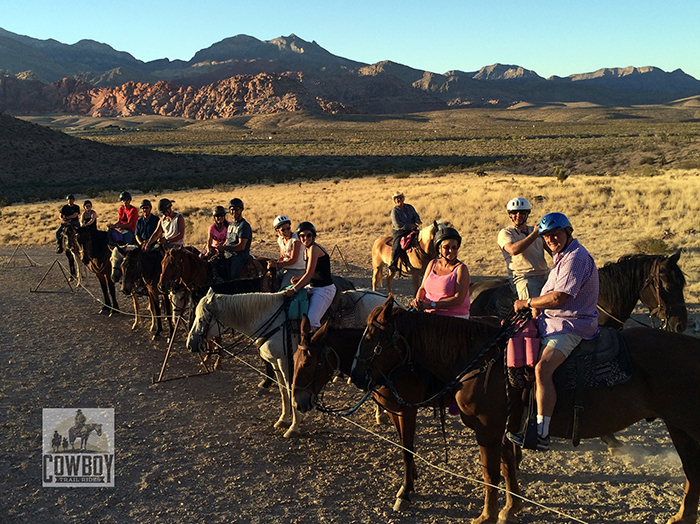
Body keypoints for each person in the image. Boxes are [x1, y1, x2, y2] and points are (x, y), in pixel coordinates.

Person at [508, 212, 599, 451]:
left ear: (568, 232)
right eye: (546, 236)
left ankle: (542, 434)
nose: (550, 239)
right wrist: (536, 310)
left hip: (572, 325)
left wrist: (528, 303)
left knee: (542, 368)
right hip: (554, 321)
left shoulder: (576, 258)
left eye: (555, 234)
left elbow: (559, 297)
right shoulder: (562, 256)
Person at [282, 221, 336, 330]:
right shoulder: (306, 250)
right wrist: (298, 279)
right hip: (312, 287)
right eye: (302, 236)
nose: (305, 238)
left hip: (324, 289)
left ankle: (318, 345)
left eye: (308, 235)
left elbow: (310, 273)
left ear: (314, 236)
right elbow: (312, 272)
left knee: (312, 322)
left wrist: (294, 289)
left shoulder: (314, 249)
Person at [411, 227, 470, 318]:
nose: (451, 251)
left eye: (454, 247)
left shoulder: (461, 269)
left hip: (453, 317)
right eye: (446, 247)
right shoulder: (432, 264)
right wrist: (418, 300)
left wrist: (431, 305)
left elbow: (458, 299)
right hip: (429, 313)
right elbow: (422, 288)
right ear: (439, 249)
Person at [497, 197, 549, 300]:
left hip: (545, 273)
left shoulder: (535, 231)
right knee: (535, 305)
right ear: (510, 214)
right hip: (524, 276)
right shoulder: (506, 233)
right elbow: (513, 250)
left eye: (522, 212)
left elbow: (553, 251)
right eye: (514, 213)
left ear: (527, 214)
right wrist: (534, 234)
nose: (518, 216)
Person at [268, 215, 306, 288]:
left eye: (288, 228)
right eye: (283, 230)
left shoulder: (295, 240)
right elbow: (282, 257)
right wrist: (274, 265)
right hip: (286, 268)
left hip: (297, 269)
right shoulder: (280, 240)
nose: (286, 231)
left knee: (284, 290)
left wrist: (279, 265)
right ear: (277, 231)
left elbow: (293, 260)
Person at [389, 191, 421, 274]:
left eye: (401, 197)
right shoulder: (394, 211)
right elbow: (397, 224)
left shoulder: (410, 207)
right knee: (397, 245)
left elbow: (415, 215)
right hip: (400, 231)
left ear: (403, 198)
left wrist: (417, 220)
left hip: (412, 230)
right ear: (395, 201)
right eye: (397, 198)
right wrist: (409, 226)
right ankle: (393, 264)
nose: (399, 199)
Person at [223, 198, 253, 280]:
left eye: (237, 209)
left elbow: (241, 246)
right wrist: (220, 248)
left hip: (239, 255)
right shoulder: (231, 224)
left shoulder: (244, 226)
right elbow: (227, 240)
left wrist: (226, 248)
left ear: (241, 210)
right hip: (228, 253)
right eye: (232, 210)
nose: (234, 212)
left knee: (233, 275)